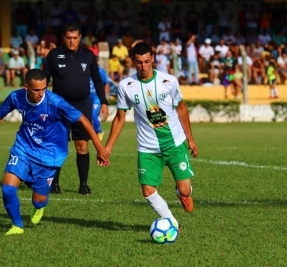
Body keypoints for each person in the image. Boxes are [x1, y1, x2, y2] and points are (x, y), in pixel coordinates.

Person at [0, 69, 110, 235]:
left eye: (44, 89)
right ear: (26, 87)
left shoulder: (55, 102)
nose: (41, 93)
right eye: (36, 90)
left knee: (38, 201)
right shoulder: (15, 97)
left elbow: (83, 119)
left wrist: (99, 147)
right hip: (23, 148)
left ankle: (39, 207)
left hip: (50, 155)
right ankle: (17, 225)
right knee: (8, 190)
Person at [104, 42, 198, 228]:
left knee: (185, 189)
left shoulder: (169, 81)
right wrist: (108, 147)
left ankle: (182, 195)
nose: (143, 66)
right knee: (147, 190)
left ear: (153, 59)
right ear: (133, 61)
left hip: (174, 143)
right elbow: (120, 117)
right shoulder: (126, 85)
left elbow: (181, 109)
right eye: (139, 62)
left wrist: (190, 138)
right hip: (148, 147)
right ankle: (171, 222)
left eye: (147, 61)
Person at [44, 22, 109, 195]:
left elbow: (97, 80)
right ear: (63, 38)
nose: (72, 41)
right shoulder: (53, 55)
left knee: (82, 145)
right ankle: (54, 183)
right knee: (58, 145)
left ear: (80, 38)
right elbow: (44, 80)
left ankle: (83, 184)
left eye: (75, 38)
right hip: (59, 105)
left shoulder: (88, 56)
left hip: (83, 105)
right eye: (68, 38)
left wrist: (104, 102)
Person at [90, 62, 109, 141]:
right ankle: (94, 134)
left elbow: (106, 83)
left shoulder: (100, 71)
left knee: (93, 114)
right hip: (87, 96)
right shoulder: (84, 70)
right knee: (88, 116)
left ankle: (100, 131)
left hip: (97, 97)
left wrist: (103, 97)